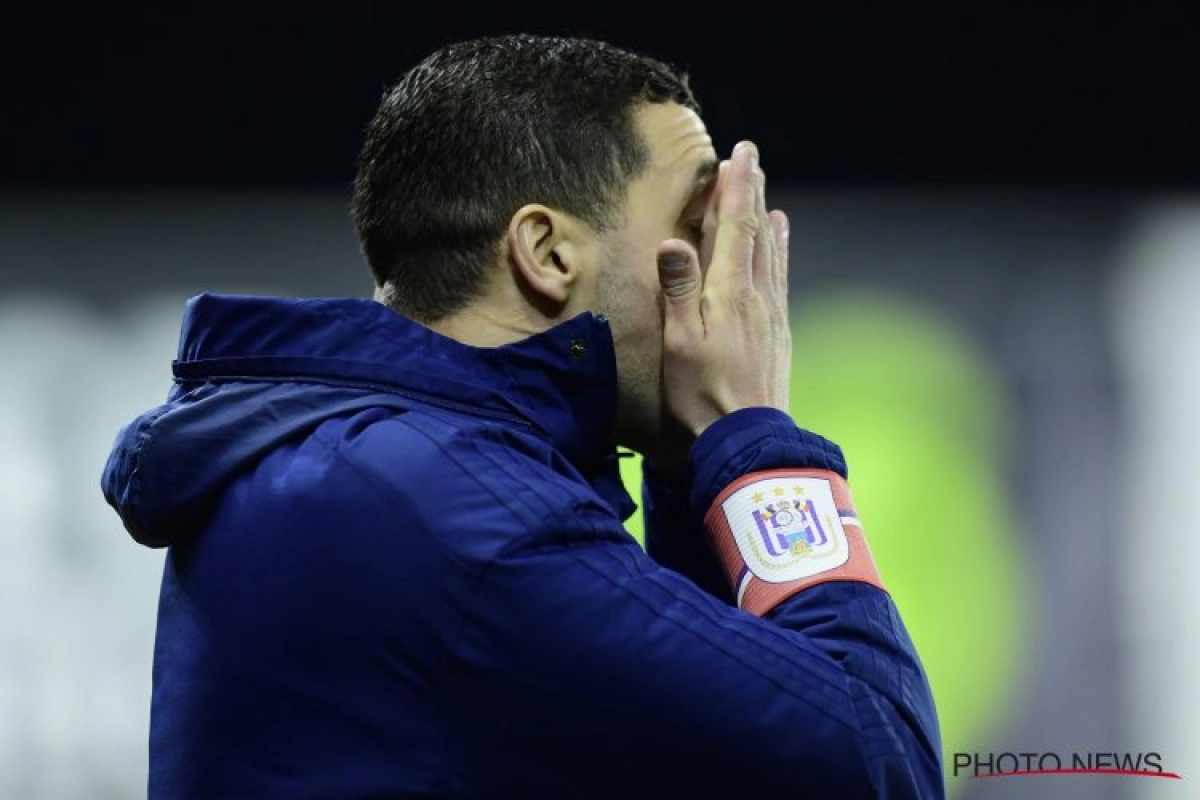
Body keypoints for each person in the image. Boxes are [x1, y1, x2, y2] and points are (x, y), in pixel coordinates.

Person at [101, 33, 944, 798]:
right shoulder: (444, 508)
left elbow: (712, 765)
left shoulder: (388, 467)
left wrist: (690, 467)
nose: (734, 279)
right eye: (696, 227)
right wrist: (755, 436)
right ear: (547, 254)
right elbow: (879, 770)